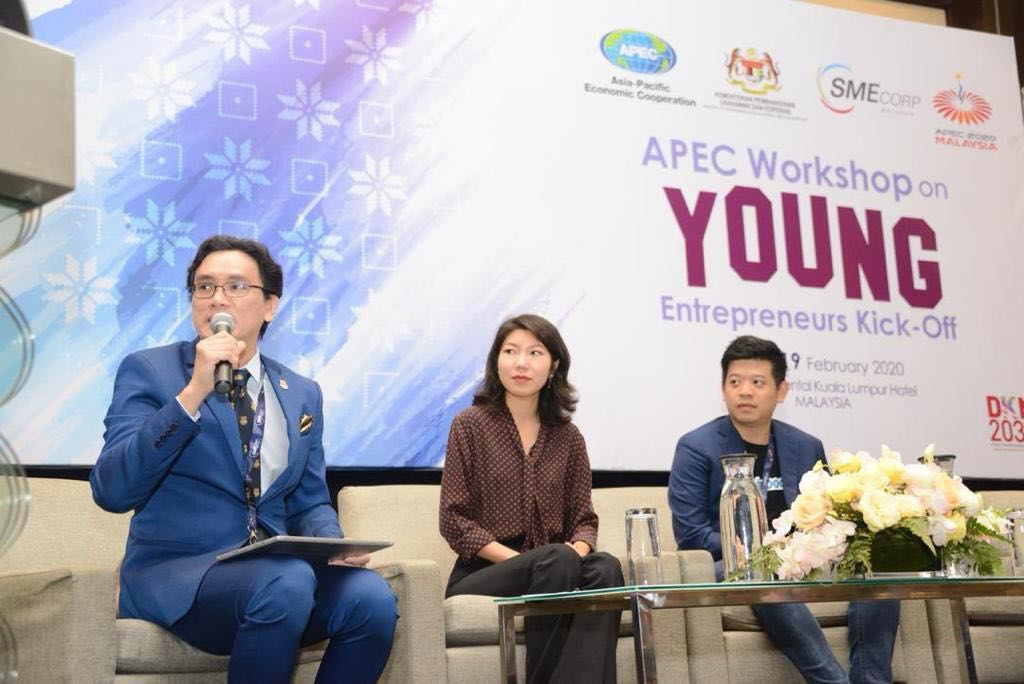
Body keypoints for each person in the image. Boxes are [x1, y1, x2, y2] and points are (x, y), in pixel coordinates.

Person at [91, 236, 397, 683]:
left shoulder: (302, 393)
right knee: (286, 581)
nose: (217, 298)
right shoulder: (150, 371)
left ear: (270, 305)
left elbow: (309, 501)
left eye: (235, 286)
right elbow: (112, 489)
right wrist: (192, 394)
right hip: (182, 575)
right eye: (204, 287)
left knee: (370, 597)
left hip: (276, 576)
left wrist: (334, 546)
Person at [668, 335, 900, 684]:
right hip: (734, 565)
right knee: (763, 572)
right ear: (723, 389)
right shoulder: (696, 447)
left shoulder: (805, 446)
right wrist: (765, 551)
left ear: (781, 390)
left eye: (757, 382)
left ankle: (873, 679)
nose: (745, 391)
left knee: (877, 568)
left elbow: (831, 519)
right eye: (735, 382)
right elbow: (691, 535)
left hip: (805, 559)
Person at [440, 314, 623, 684]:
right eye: (510, 351)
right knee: (555, 560)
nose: (520, 363)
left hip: (557, 565)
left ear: (553, 366)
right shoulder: (469, 425)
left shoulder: (568, 437)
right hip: (483, 572)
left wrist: (576, 553)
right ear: (496, 362)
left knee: (606, 567)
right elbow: (454, 520)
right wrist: (529, 562)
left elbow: (584, 520)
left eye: (534, 353)